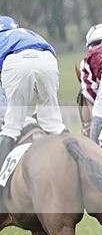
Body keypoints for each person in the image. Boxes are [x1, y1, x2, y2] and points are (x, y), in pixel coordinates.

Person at [0, 16, 67, 166]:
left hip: (16, 61)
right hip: (48, 59)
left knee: (12, 127)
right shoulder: (27, 33)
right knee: (53, 122)